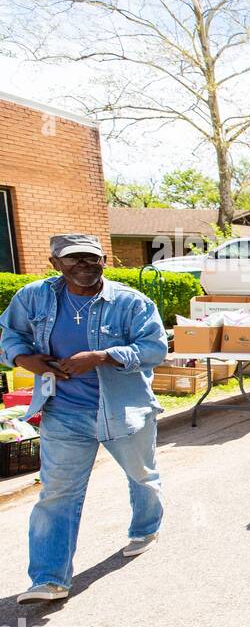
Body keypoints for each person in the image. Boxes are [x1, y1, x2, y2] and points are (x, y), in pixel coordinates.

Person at [0, 234, 167, 603]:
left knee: (142, 475)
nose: (84, 266)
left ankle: (146, 528)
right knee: (57, 493)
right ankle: (49, 579)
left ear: (104, 260)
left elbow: (155, 348)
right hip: (63, 412)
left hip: (124, 411)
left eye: (92, 259)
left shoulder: (130, 302)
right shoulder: (33, 298)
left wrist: (102, 356)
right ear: (55, 263)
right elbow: (10, 335)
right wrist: (24, 359)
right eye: (74, 259)